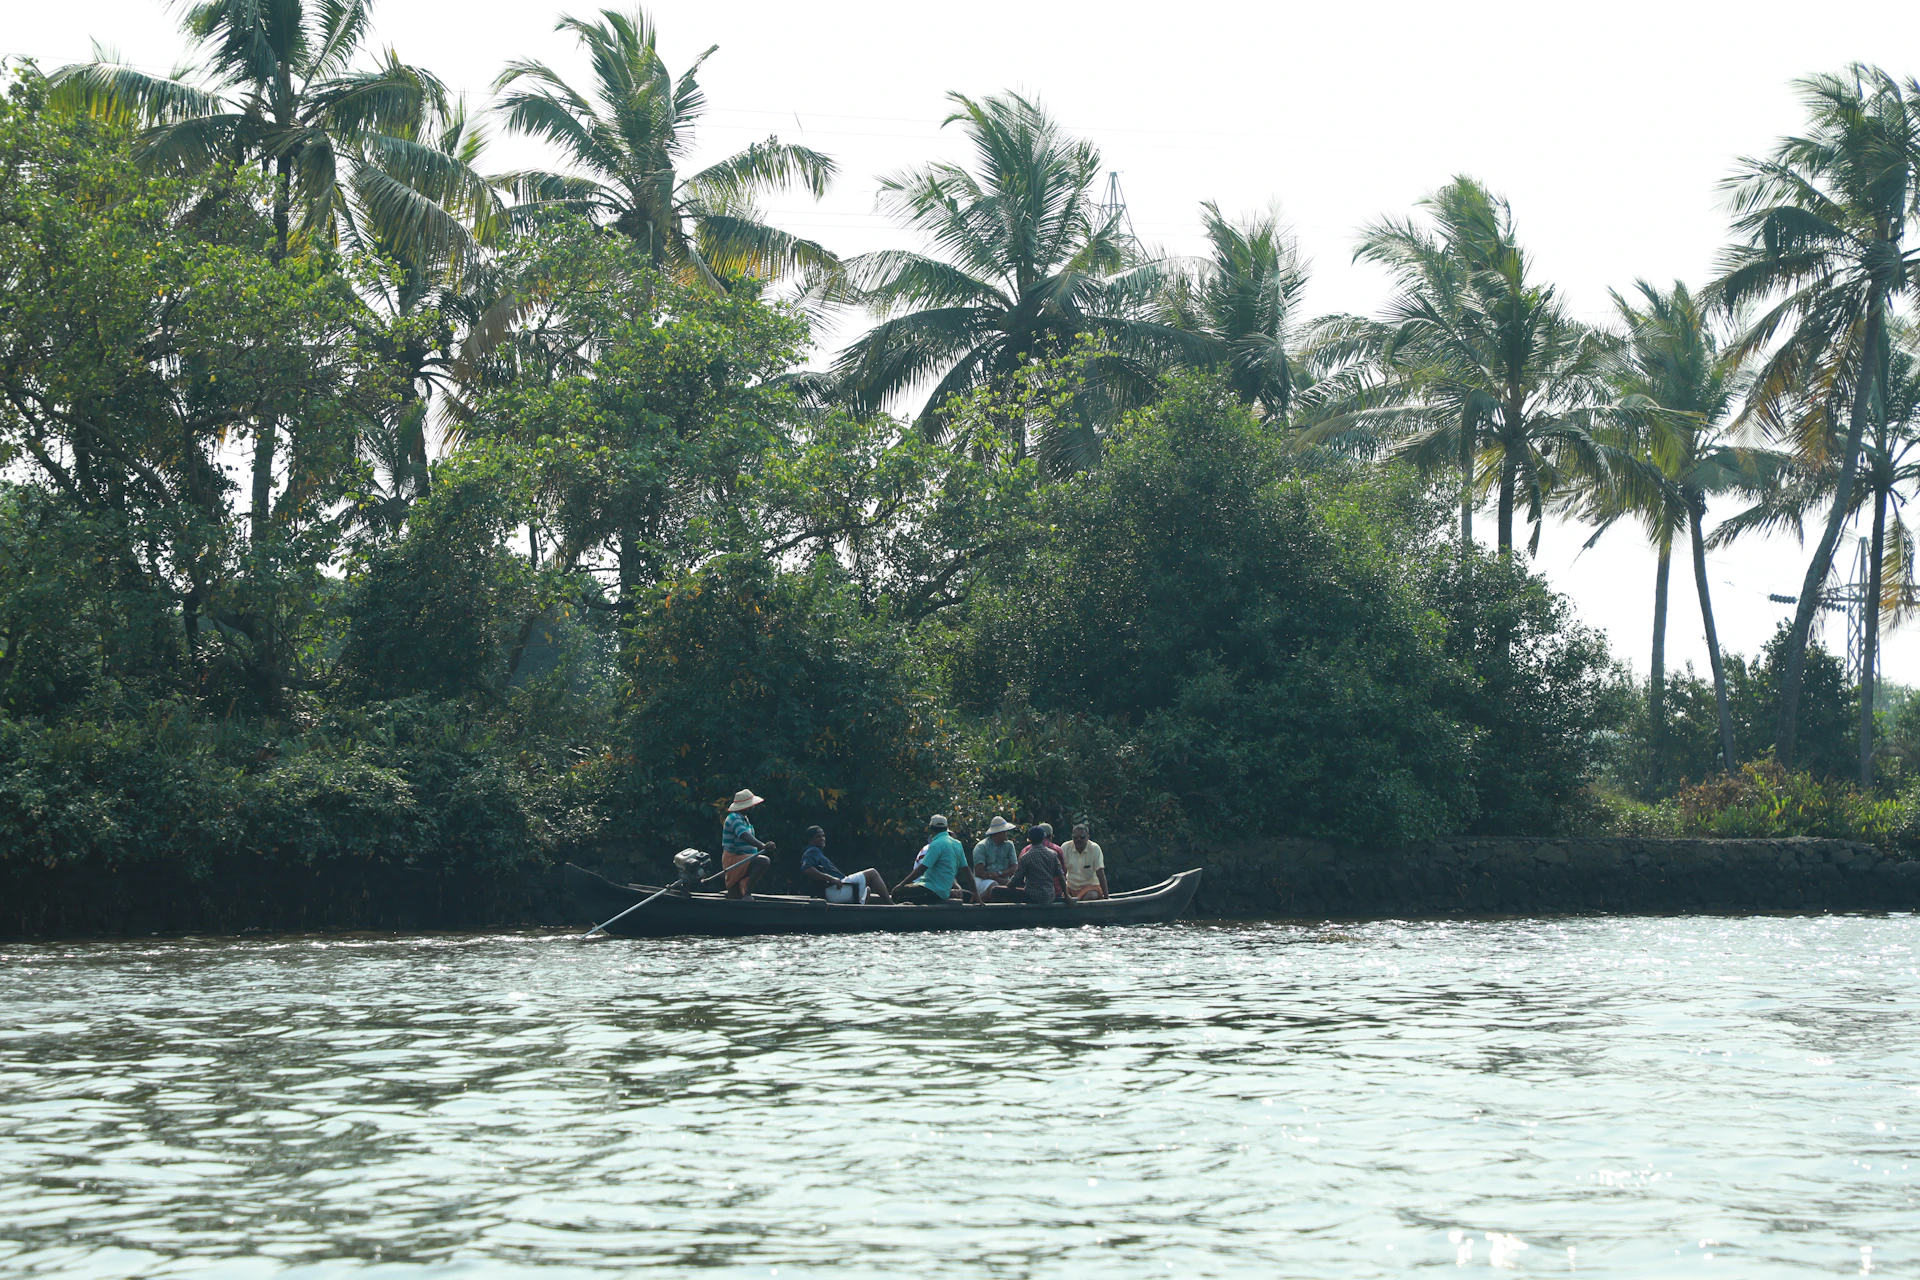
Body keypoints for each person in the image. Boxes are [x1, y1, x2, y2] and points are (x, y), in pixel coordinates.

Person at [799, 826, 891, 904]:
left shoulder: (816, 852)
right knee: (872, 873)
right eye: (818, 837)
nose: (822, 838)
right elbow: (807, 869)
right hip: (834, 891)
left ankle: (859, 915)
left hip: (836, 890)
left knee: (867, 890)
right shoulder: (812, 851)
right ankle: (892, 906)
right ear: (810, 840)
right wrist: (831, 879)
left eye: (823, 836)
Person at [896, 814, 969, 904]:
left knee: (896, 893)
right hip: (927, 886)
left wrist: (958, 888)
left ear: (931, 829)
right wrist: (974, 891)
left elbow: (925, 869)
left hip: (934, 889)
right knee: (900, 893)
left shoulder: (940, 844)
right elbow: (922, 872)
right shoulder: (953, 845)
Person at [983, 827, 1063, 904]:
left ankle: (1002, 912)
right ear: (1043, 838)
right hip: (1050, 896)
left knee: (995, 890)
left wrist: (1007, 888)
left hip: (1032, 897)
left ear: (1030, 839)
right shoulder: (1053, 854)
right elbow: (1061, 876)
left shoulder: (1026, 856)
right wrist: (1066, 894)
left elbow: (1016, 879)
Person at [720, 788, 774, 899]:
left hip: (743, 858)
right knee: (763, 861)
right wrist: (762, 846)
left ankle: (742, 895)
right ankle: (748, 894)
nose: (753, 807)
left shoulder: (744, 818)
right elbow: (744, 835)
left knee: (735, 896)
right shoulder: (734, 818)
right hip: (734, 858)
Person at [970, 816, 1019, 901]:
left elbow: (1014, 868)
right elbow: (979, 872)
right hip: (983, 880)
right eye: (1004, 831)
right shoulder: (982, 846)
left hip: (1002, 879)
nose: (1006, 833)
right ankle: (976, 901)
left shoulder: (1009, 845)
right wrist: (996, 878)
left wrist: (998, 874)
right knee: (995, 888)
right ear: (998, 833)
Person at [1061, 822, 1109, 900]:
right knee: (1061, 897)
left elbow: (1100, 872)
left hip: (1089, 887)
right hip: (1070, 887)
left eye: (1082, 837)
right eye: (1075, 837)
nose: (1078, 839)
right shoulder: (1065, 847)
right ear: (1072, 837)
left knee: (1091, 896)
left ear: (1088, 837)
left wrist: (1106, 897)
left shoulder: (1095, 848)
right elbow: (1062, 871)